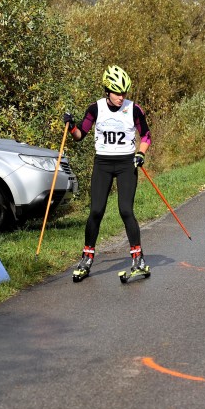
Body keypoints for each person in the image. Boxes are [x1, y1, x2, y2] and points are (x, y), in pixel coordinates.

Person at [64, 65, 152, 279]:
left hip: (126, 164)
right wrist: (70, 125)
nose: (121, 97)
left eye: (123, 92)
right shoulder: (95, 108)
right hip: (102, 163)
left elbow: (146, 136)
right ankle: (86, 258)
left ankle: (138, 258)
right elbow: (79, 135)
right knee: (96, 211)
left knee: (125, 210)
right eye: (116, 92)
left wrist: (141, 153)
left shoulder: (134, 109)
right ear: (107, 90)